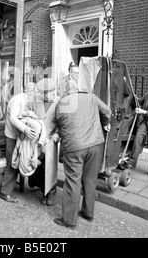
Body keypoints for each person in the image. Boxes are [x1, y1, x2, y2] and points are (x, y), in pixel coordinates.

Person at [52, 79, 111, 229]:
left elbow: (59, 122)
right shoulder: (91, 97)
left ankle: (69, 221)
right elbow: (107, 112)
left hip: (75, 147)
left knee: (73, 182)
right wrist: (104, 123)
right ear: (76, 88)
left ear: (65, 90)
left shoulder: (62, 103)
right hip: (95, 143)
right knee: (90, 180)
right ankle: (88, 213)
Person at [0, 82, 38, 203]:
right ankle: (4, 193)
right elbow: (13, 119)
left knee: (22, 160)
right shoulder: (17, 100)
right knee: (12, 163)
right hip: (12, 135)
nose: (34, 93)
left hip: (21, 136)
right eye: (33, 91)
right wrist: (26, 129)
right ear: (27, 91)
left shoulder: (30, 100)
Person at [28, 78, 60, 206]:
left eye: (46, 93)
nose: (44, 95)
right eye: (43, 93)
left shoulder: (59, 102)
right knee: (39, 167)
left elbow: (61, 122)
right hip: (37, 139)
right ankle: (43, 191)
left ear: (53, 91)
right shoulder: (36, 99)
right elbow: (28, 111)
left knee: (50, 169)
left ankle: (51, 193)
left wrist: (57, 133)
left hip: (51, 140)